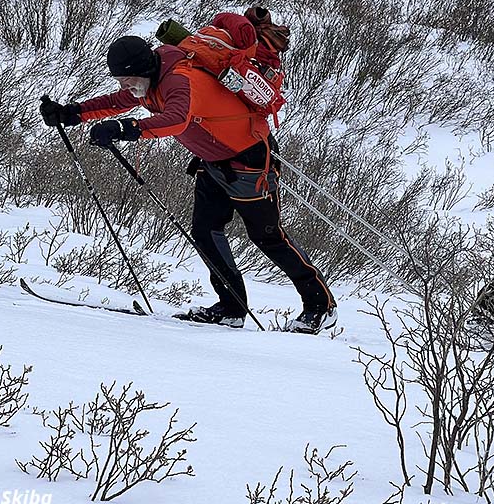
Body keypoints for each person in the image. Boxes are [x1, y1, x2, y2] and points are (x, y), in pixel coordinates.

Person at [39, 20, 337, 334]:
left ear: (143, 69)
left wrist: (129, 129)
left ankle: (320, 305)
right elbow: (118, 101)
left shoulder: (179, 79)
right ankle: (231, 308)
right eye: (120, 80)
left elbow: (177, 120)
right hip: (213, 162)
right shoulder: (148, 81)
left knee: (267, 237)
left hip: (250, 161)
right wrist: (72, 113)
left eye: (127, 80)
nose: (124, 86)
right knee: (206, 232)